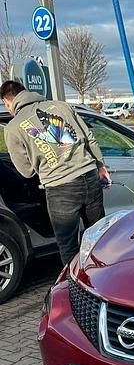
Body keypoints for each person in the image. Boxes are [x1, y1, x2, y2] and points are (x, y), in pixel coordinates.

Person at [1, 80, 111, 265]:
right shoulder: (62, 106)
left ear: (7, 101)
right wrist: (100, 166)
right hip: (90, 177)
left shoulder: (13, 127)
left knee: (68, 246)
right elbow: (89, 137)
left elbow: (25, 171)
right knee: (98, 236)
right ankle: (105, 280)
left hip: (60, 188)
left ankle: (76, 288)